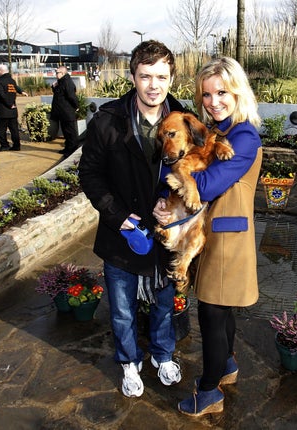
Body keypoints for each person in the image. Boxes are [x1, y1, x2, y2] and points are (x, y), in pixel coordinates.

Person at [78, 40, 184, 398]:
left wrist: (174, 205)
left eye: (161, 76)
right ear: (133, 76)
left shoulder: (182, 119)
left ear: (171, 78)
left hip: (166, 233)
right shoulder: (108, 120)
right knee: (122, 309)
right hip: (121, 233)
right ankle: (129, 361)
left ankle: (163, 354)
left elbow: (193, 171)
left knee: (165, 304)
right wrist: (118, 216)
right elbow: (89, 174)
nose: (154, 85)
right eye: (146, 76)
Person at [157, 57, 263, 416]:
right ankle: (228, 368)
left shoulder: (244, 135)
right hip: (213, 234)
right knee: (222, 312)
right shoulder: (221, 134)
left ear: (237, 92)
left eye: (222, 92)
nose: (214, 101)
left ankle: (208, 392)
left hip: (228, 240)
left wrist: (173, 180)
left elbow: (208, 183)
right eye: (206, 94)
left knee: (212, 316)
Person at [0, 64, 28, 151]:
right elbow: (16, 88)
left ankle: (4, 145)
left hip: (3, 110)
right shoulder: (12, 80)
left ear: (0, 71)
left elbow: (2, 95)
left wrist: (9, 104)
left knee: (1, 130)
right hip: (12, 110)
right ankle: (16, 146)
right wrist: (22, 91)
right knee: (14, 130)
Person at [51, 66, 79, 157]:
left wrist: (76, 106)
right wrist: (54, 87)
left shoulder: (67, 82)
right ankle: (67, 148)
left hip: (67, 112)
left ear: (63, 73)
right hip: (62, 112)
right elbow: (59, 94)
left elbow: (71, 96)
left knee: (70, 132)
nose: (56, 74)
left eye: (57, 72)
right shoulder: (61, 82)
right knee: (66, 132)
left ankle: (72, 150)